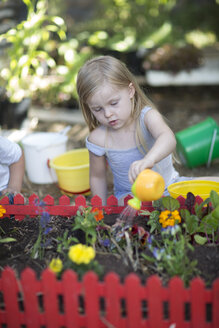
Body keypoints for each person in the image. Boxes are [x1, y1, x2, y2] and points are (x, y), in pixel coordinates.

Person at [76, 55, 219, 205]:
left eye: (114, 103)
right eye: (98, 109)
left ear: (130, 91)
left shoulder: (147, 117)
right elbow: (97, 177)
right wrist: (101, 210)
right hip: (130, 199)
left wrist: (149, 160)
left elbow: (168, 138)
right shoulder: (98, 139)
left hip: (169, 188)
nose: (108, 114)